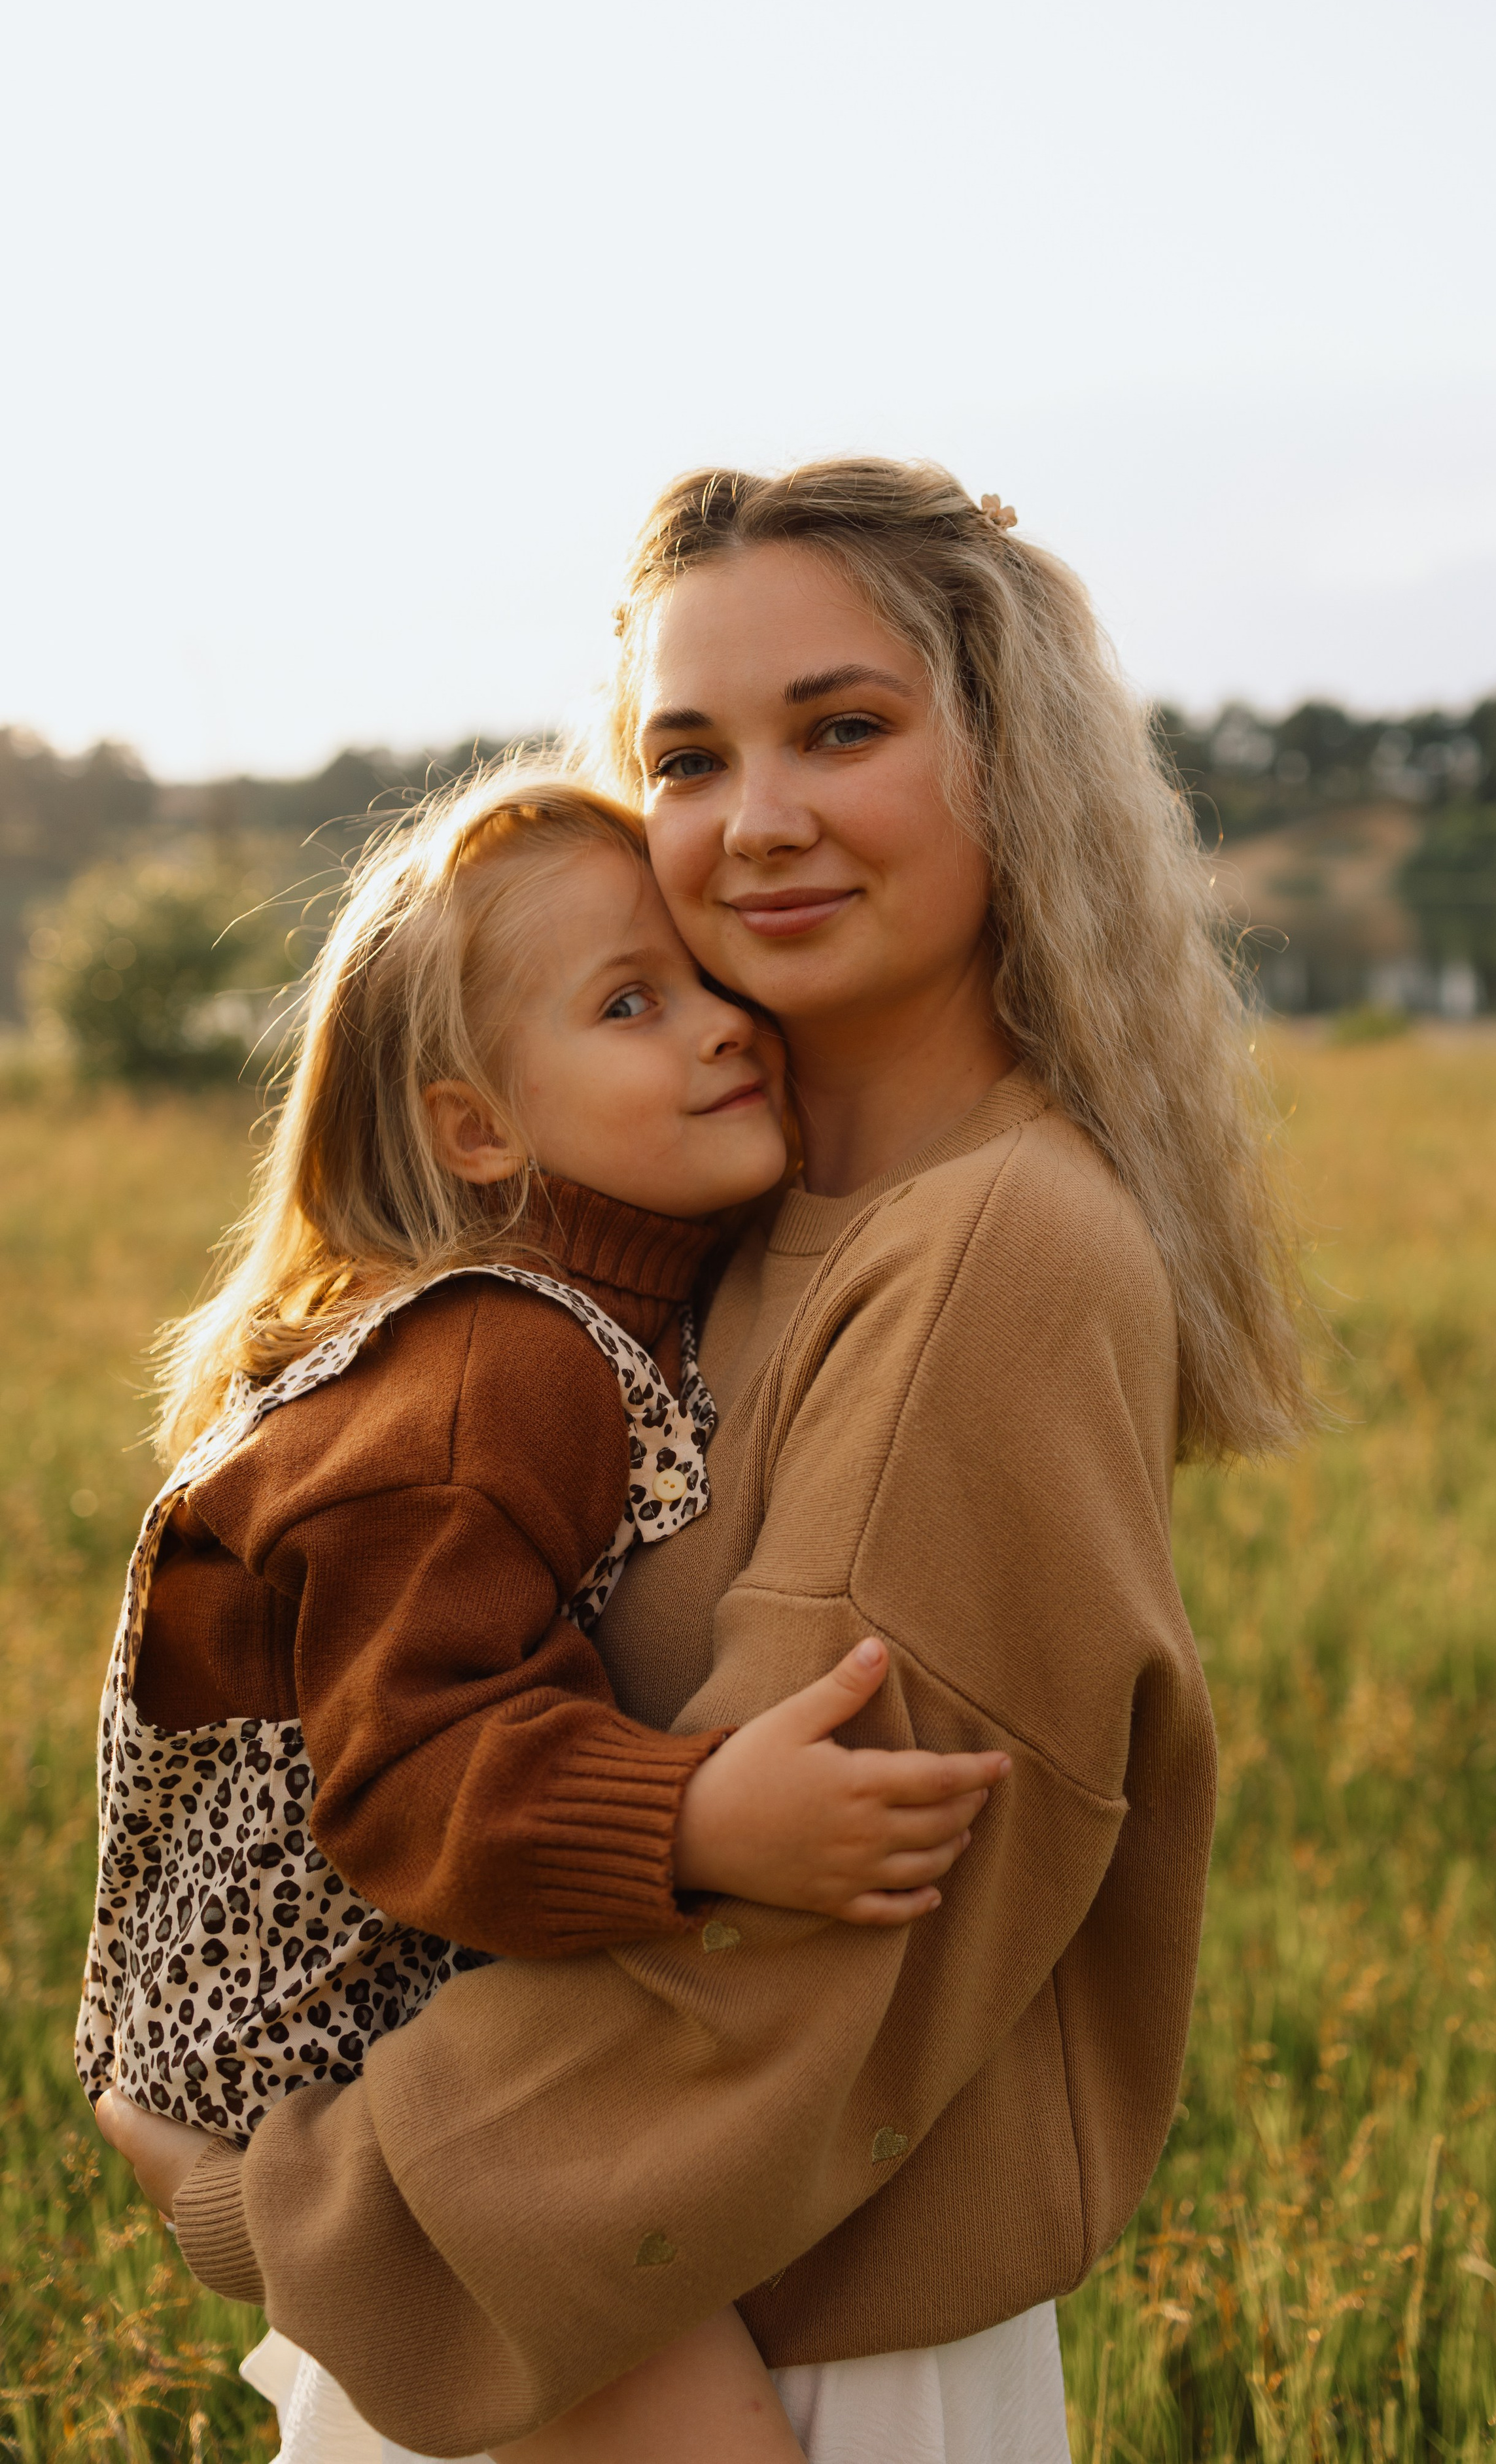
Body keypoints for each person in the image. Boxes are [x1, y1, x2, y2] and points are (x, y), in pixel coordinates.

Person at [102, 458, 1306, 2464]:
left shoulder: (989, 1246)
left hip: (742, 2342)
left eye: (844, 728)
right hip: (549, 2300)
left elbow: (798, 1953)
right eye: (687, 755)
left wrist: (278, 2200)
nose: (757, 822)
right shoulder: (706, 1219)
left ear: (1010, 763)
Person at [83, 761, 1008, 2463]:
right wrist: (695, 1817)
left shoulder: (603, 1315)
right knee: (660, 2380)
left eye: (715, 983)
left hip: (357, 2013)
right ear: (477, 1130)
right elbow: (407, 1769)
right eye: (633, 1002)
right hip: (314, 2021)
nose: (725, 1027)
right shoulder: (493, 1368)